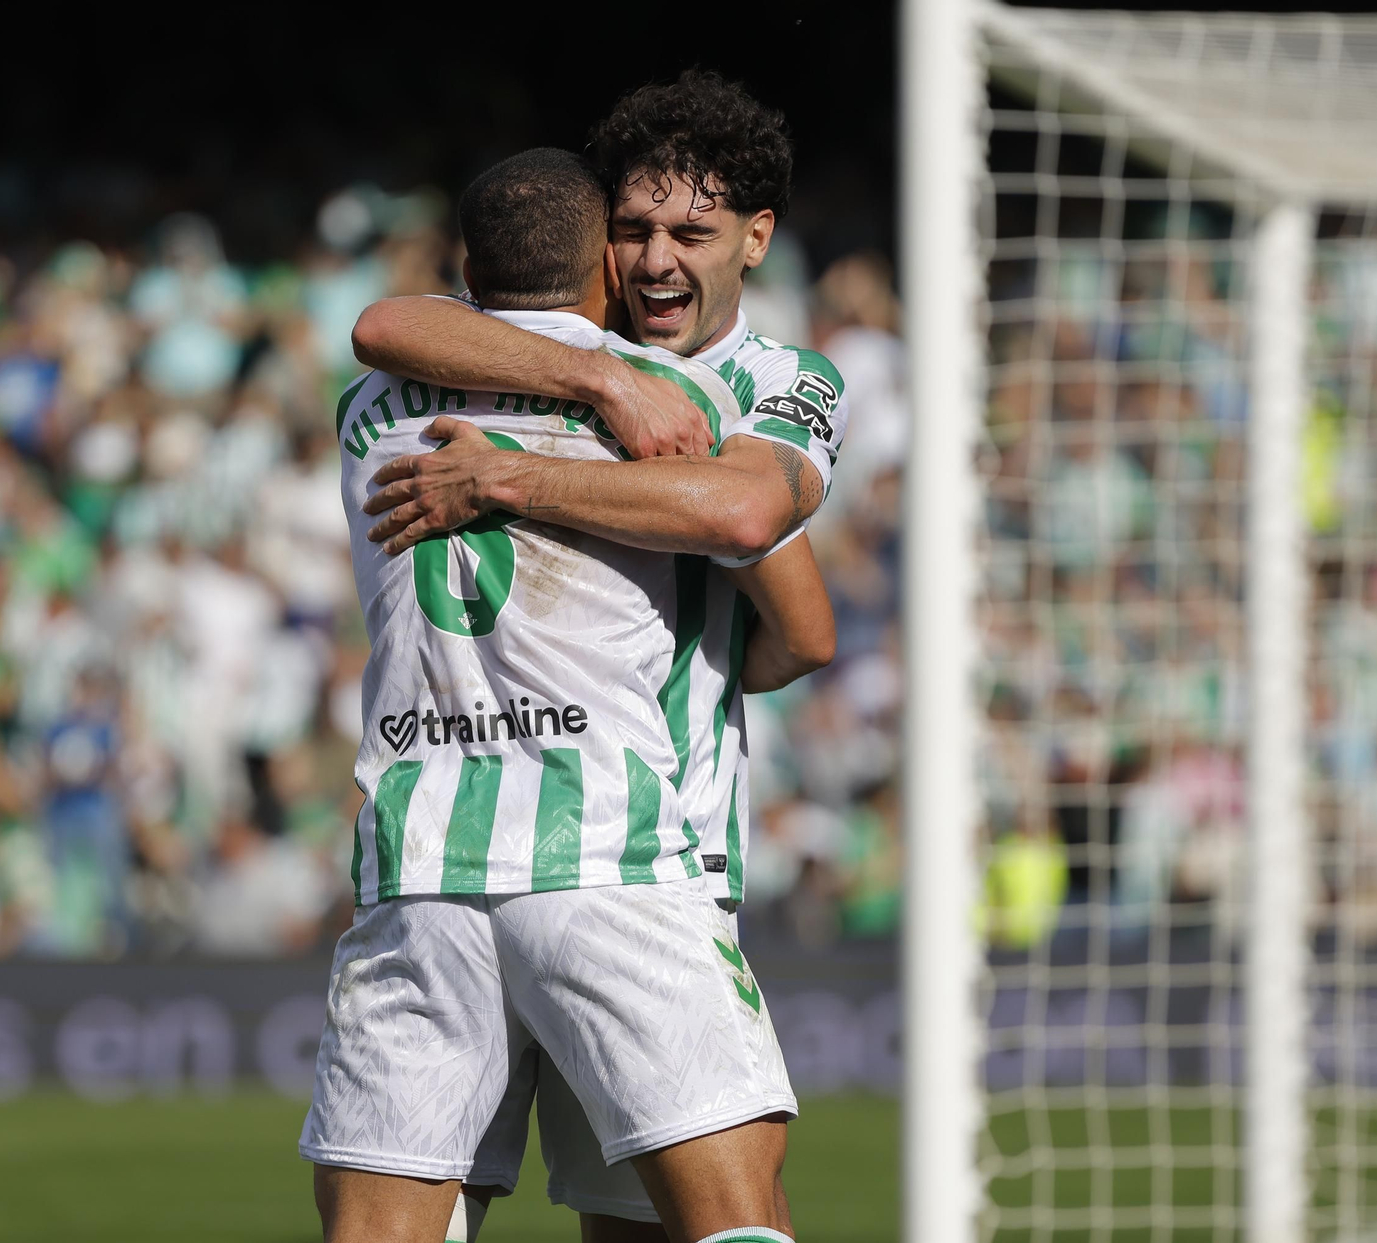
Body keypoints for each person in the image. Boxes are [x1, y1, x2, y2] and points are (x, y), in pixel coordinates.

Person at [349, 72, 848, 1243]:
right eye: (631, 230)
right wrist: (596, 374)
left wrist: (514, 474)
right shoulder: (578, 353)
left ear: (755, 239)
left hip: (653, 834)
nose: (658, 257)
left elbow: (779, 581)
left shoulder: (783, 384)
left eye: (693, 230)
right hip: (601, 848)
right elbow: (383, 319)